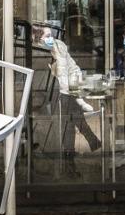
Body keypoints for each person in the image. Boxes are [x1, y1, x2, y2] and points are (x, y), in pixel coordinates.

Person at [33, 25, 101, 161]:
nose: (51, 38)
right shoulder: (37, 54)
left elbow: (72, 67)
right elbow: (44, 79)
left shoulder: (59, 46)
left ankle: (70, 154)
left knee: (70, 116)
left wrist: (75, 82)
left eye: (51, 35)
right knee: (71, 113)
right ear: (38, 39)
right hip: (48, 95)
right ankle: (88, 140)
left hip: (65, 92)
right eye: (47, 36)